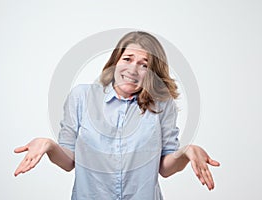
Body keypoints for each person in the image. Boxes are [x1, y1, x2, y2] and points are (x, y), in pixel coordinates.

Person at [14, 31, 220, 200]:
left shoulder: (162, 105)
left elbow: (165, 168)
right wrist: (49, 145)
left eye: (144, 64)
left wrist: (186, 152)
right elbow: (68, 161)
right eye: (128, 59)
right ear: (115, 61)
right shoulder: (81, 97)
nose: (133, 69)